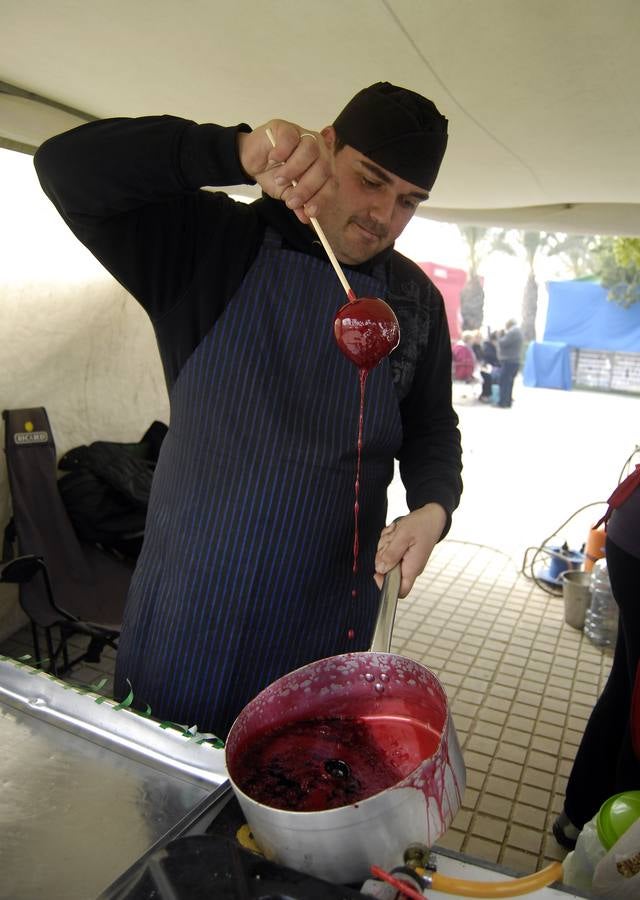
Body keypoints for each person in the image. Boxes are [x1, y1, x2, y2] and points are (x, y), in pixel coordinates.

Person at [34, 82, 463, 737]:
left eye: (408, 201)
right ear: (326, 147)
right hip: (188, 610)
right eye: (371, 180)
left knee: (290, 806)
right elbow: (66, 168)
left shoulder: (414, 303)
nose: (383, 214)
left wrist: (434, 507)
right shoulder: (211, 246)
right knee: (165, 811)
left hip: (324, 621)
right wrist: (233, 152)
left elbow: (432, 424)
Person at [553, 465, 640, 849]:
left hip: (629, 534)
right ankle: (614, 849)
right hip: (634, 541)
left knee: (627, 685)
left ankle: (579, 820)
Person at [496, 318, 523, 408]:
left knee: (504, 382)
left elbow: (502, 343)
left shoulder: (512, 332)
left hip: (509, 360)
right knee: (510, 382)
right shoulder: (519, 331)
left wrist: (499, 336)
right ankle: (507, 401)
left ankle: (502, 402)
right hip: (515, 360)